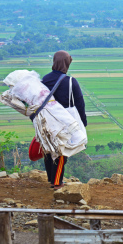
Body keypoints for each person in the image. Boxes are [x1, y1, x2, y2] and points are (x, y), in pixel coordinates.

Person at [41, 50, 87, 189]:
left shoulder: (45, 79)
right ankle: (57, 183)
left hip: (47, 120)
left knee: (49, 148)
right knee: (62, 151)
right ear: (67, 63)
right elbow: (79, 103)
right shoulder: (71, 82)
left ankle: (51, 178)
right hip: (64, 122)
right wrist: (82, 123)